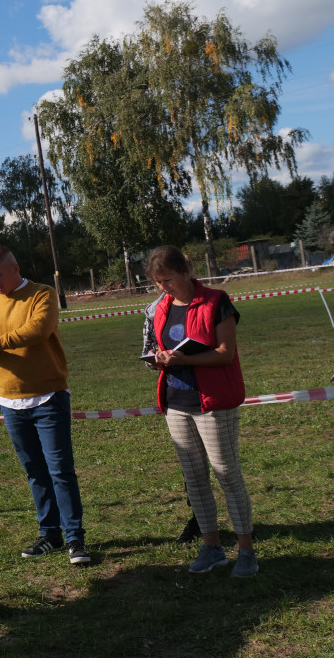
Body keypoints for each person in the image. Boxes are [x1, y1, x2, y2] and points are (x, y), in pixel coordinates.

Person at [143, 245, 258, 577]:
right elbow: (158, 347)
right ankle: (212, 547)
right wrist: (158, 358)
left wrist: (185, 359)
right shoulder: (161, 308)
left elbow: (225, 353)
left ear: (186, 271)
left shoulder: (217, 302)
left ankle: (246, 550)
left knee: (227, 475)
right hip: (176, 405)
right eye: (157, 282)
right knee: (195, 480)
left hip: (212, 404)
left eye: (168, 280)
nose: (164, 287)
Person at [0, 247, 90, 565]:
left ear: (15, 268)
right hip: (9, 401)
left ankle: (75, 539)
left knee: (60, 471)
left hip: (48, 396)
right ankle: (50, 534)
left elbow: (38, 331)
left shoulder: (43, 294)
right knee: (35, 473)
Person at [143, 292, 201, 544]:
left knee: (225, 467)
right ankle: (199, 519)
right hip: (177, 397)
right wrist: (155, 359)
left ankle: (241, 521)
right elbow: (146, 352)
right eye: (160, 280)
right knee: (192, 466)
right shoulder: (153, 310)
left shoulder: (209, 302)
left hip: (212, 395)